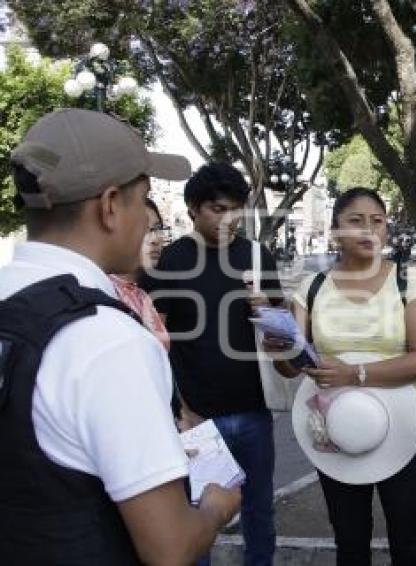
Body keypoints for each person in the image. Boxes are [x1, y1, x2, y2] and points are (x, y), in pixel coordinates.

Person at [0, 109, 241, 564]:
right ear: (110, 206)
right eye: (143, 199)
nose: (149, 221)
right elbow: (169, 547)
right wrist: (214, 507)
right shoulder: (105, 339)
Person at [272, 187, 416, 566]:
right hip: (334, 425)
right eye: (356, 221)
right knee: (349, 543)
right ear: (335, 232)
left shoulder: (406, 280)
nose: (369, 230)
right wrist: (278, 345)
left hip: (405, 423)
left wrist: (354, 373)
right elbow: (292, 365)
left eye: (378, 221)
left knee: (410, 546)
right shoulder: (311, 288)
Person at [140, 162, 280, 565]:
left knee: (259, 512)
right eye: (218, 209)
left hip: (254, 413)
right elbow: (154, 344)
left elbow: (283, 334)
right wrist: (178, 410)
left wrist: (267, 308)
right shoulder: (171, 261)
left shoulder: (257, 256)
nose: (229, 218)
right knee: (196, 516)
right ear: (193, 211)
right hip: (197, 421)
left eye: (236, 209)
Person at [109, 197, 170, 350]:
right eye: (145, 230)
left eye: (157, 228)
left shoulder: (141, 296)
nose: (155, 239)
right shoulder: (105, 293)